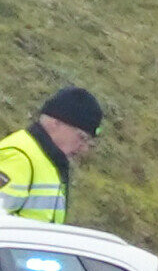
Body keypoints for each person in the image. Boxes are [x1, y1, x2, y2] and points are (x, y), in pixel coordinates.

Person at [0, 88, 101, 227]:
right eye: (81, 137)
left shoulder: (49, 161)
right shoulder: (20, 157)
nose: (83, 148)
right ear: (56, 123)